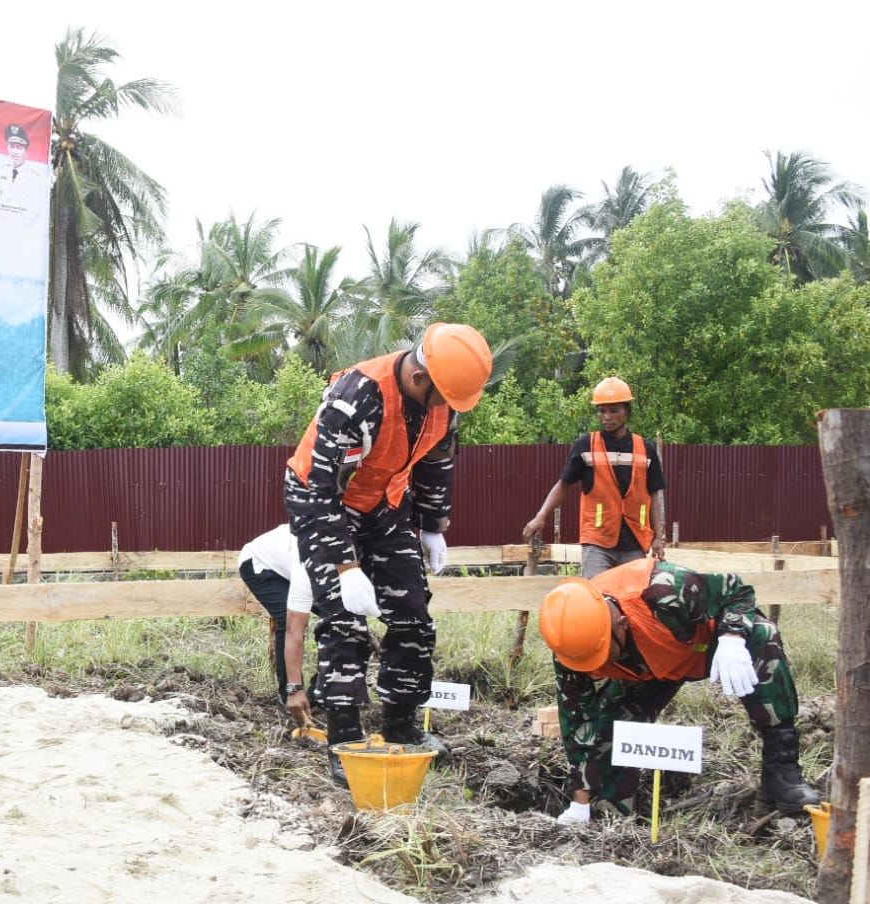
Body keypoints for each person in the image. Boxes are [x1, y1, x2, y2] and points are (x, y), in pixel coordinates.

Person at [284, 323, 493, 787]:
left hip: (384, 502)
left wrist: (434, 527)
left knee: (414, 615)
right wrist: (346, 566)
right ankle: (346, 739)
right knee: (343, 620)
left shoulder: (445, 402)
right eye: (443, 397)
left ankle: (401, 724)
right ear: (420, 379)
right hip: (325, 504)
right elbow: (320, 490)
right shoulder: (355, 397)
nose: (448, 408)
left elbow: (438, 462)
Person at [538, 558, 820, 823]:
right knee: (609, 727)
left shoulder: (664, 589)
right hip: (645, 671)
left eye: (603, 654)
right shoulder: (573, 649)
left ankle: (782, 772)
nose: (598, 664)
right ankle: (611, 815)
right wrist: (580, 799)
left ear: (620, 625)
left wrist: (732, 636)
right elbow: (578, 724)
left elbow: (736, 590)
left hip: (705, 648)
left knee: (762, 636)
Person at [521, 376, 667, 578]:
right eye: (602, 411)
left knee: (632, 601)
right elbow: (563, 486)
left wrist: (658, 538)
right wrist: (541, 516)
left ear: (627, 411)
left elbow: (653, 495)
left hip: (635, 542)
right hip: (598, 542)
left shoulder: (646, 450)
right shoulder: (585, 446)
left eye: (614, 410)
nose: (607, 416)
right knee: (596, 599)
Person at [237, 524, 315, 728]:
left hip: (288, 563)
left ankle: (321, 693)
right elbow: (294, 629)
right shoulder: (308, 562)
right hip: (260, 564)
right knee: (288, 620)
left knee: (340, 623)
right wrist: (294, 688)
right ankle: (288, 695)